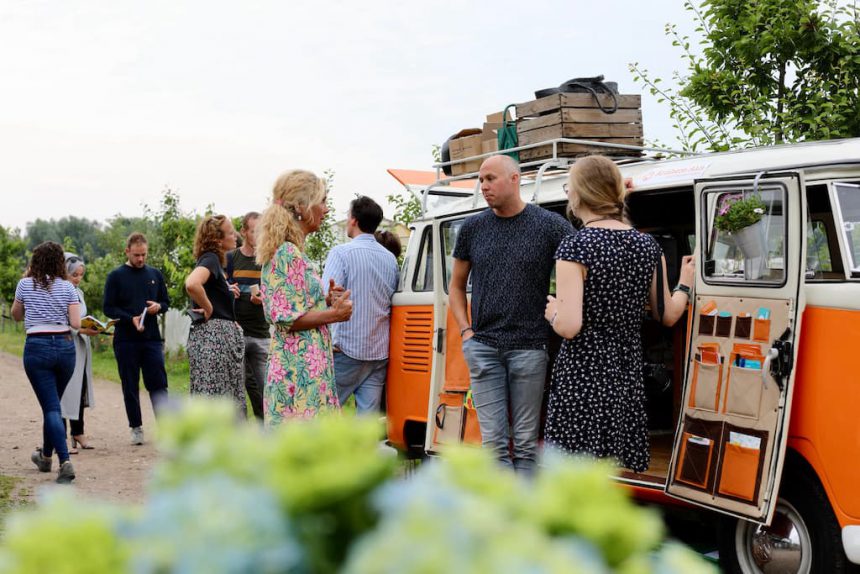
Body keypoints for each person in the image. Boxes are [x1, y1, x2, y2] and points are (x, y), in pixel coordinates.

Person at [543, 155, 695, 473]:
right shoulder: (646, 246)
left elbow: (570, 327)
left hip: (583, 377)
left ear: (580, 193)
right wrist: (684, 284)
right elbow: (667, 315)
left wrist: (553, 311)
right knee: (616, 474)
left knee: (575, 476)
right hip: (626, 376)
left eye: (568, 186)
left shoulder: (575, 248)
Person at [449, 155, 573, 474]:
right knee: (494, 447)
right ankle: (501, 520)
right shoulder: (473, 228)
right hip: (484, 348)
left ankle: (524, 519)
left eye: (490, 178)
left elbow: (581, 264)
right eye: (481, 179)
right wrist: (466, 333)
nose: (483, 186)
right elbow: (456, 287)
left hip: (530, 348)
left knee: (527, 446)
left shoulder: (549, 225)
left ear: (515, 179)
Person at [256, 169, 353, 425]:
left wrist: (325, 300)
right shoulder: (287, 252)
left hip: (305, 368)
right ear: (302, 206)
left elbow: (295, 305)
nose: (327, 209)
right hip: (297, 372)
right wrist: (334, 315)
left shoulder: (293, 251)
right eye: (322, 201)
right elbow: (286, 318)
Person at [322, 196, 399, 414]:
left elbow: (324, 296)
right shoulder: (390, 259)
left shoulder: (341, 253)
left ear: (353, 220)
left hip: (346, 347)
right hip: (378, 350)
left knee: (324, 411)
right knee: (367, 419)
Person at [11, 241, 80, 483]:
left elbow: (16, 316)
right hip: (65, 348)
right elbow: (76, 323)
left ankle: (65, 462)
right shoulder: (68, 288)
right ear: (60, 262)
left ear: (35, 261)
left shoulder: (24, 284)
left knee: (51, 407)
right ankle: (46, 457)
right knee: (52, 404)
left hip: (37, 349)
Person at [103, 232, 170, 445]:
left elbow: (166, 302)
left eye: (144, 255)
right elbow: (108, 307)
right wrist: (128, 318)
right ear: (127, 252)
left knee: (158, 384)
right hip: (125, 340)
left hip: (151, 339)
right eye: (136, 255)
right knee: (130, 384)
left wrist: (159, 307)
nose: (141, 259)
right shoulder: (115, 276)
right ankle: (136, 428)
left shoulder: (155, 274)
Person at [185, 214, 246, 414]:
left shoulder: (216, 263)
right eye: (230, 232)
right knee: (216, 399)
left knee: (219, 397)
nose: (236, 235)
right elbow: (192, 284)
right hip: (214, 341)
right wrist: (210, 308)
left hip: (217, 339)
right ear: (218, 240)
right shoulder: (210, 259)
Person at [226, 212, 269, 420]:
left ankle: (267, 438)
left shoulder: (268, 260)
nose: (259, 235)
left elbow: (278, 296)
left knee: (267, 391)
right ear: (244, 232)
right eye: (254, 231)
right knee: (237, 395)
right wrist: (228, 290)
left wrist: (264, 299)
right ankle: (241, 440)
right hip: (237, 333)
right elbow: (219, 290)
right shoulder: (231, 258)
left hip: (261, 334)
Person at [62, 253, 99, 453]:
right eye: (74, 275)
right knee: (66, 389)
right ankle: (63, 436)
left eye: (80, 275)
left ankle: (78, 431)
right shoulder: (60, 292)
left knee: (80, 387)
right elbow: (62, 320)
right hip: (67, 343)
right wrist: (82, 329)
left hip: (82, 346)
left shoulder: (80, 292)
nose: (77, 279)